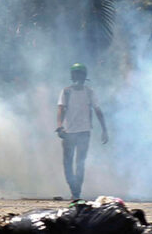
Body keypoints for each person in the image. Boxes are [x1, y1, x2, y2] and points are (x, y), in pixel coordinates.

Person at [56, 62, 108, 201]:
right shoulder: (66, 92)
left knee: (80, 163)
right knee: (67, 163)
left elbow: (98, 111)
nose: (78, 76)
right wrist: (60, 126)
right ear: (72, 76)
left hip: (84, 132)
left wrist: (104, 130)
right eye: (75, 73)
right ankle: (74, 188)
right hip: (68, 132)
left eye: (80, 74)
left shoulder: (89, 92)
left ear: (84, 76)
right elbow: (61, 109)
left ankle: (76, 192)